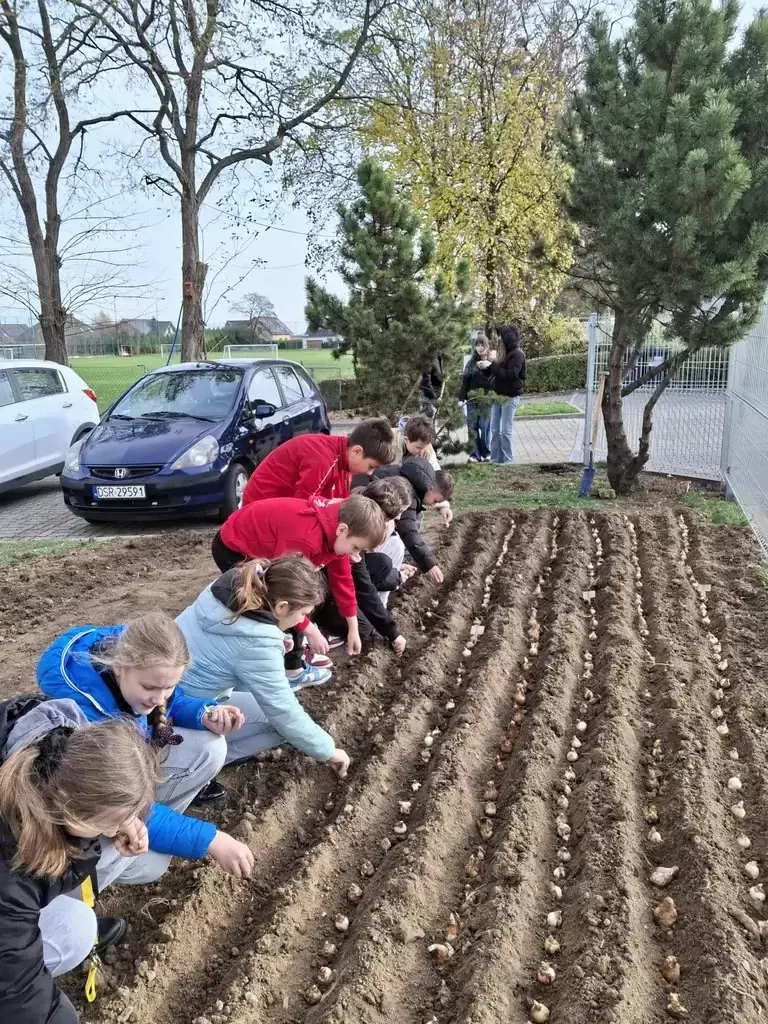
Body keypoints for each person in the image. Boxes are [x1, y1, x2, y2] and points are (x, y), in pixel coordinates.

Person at [36, 612, 255, 872]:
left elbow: (170, 704)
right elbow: (115, 798)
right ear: (119, 667)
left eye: (168, 687)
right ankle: (85, 882)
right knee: (151, 866)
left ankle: (157, 827)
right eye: (150, 688)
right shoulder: (85, 719)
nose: (159, 698)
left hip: (126, 779)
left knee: (210, 746)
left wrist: (203, 714)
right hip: (92, 804)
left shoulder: (141, 662)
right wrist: (210, 839)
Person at [0, 695, 159, 1024]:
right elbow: (18, 988)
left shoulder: (55, 745)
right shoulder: (11, 867)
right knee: (75, 930)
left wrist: (122, 819)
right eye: (107, 822)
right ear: (69, 806)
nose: (114, 830)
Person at [176, 556, 351, 776]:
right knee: (279, 725)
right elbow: (284, 713)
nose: (301, 621)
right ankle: (203, 769)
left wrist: (278, 641)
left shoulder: (230, 588)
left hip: (163, 689)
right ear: (282, 607)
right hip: (181, 711)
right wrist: (330, 752)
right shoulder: (258, 642)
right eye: (303, 614)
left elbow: (230, 649)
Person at [212, 493, 388, 660]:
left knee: (298, 604)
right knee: (266, 602)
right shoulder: (306, 539)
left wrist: (353, 628)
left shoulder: (339, 529)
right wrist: (310, 631)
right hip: (234, 547)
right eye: (356, 548)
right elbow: (285, 588)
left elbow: (343, 581)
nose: (356, 556)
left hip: (268, 547)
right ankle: (290, 665)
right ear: (342, 530)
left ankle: (291, 653)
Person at [313, 477, 413, 654]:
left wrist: (391, 632)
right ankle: (320, 623)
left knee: (383, 563)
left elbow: (358, 578)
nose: (385, 525)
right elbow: (360, 585)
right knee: (363, 628)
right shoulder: (348, 531)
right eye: (384, 520)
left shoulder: (355, 521)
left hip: (328, 578)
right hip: (316, 585)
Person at [241, 418, 397, 507]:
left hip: (280, 504)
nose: (370, 473)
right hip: (259, 509)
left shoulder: (343, 456)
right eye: (371, 466)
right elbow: (303, 508)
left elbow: (338, 505)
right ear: (357, 451)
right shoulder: (323, 460)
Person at [355, 460, 454, 584]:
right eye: (435, 500)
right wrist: (430, 564)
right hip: (358, 518)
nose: (432, 505)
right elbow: (408, 530)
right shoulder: (408, 492)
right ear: (431, 488)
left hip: (357, 506)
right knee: (393, 541)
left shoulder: (408, 475)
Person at [478, 323, 526, 464]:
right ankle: (496, 459)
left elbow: (511, 374)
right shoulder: (503, 354)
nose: (499, 339)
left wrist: (492, 366)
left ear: (508, 338)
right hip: (497, 395)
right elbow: (497, 373)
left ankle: (508, 461)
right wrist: (485, 367)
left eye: (502, 336)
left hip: (510, 397)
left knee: (506, 431)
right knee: (494, 429)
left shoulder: (518, 354)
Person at [400, 414, 452, 525]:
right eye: (419, 447)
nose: (422, 451)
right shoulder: (393, 447)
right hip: (391, 490)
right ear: (406, 440)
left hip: (413, 494)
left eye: (425, 447)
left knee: (416, 516)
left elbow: (436, 478)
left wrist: (443, 505)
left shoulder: (426, 448)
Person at [458, 336, 493, 462]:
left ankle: (486, 452)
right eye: (477, 345)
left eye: (482, 345)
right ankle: (474, 454)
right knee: (472, 426)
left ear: (487, 346)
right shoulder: (471, 363)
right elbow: (465, 382)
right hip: (472, 400)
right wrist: (461, 398)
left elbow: (496, 380)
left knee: (485, 426)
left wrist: (489, 367)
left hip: (486, 399)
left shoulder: (491, 362)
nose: (480, 348)